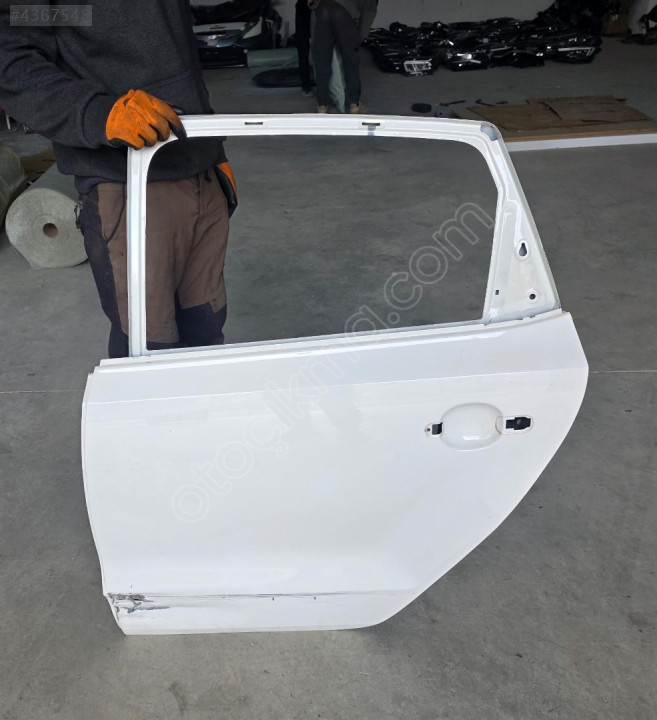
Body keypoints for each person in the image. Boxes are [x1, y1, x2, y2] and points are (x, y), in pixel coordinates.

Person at [0, 1, 237, 358]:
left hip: (199, 169)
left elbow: (174, 48)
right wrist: (98, 114)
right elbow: (12, 60)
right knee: (147, 347)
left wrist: (213, 150)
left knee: (206, 328)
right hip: (127, 181)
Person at [309, 0, 377, 114]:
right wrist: (356, 41)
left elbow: (312, 3)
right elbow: (366, 21)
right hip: (343, 14)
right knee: (351, 62)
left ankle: (322, 106)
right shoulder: (371, 2)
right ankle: (354, 105)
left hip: (323, 8)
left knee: (322, 61)